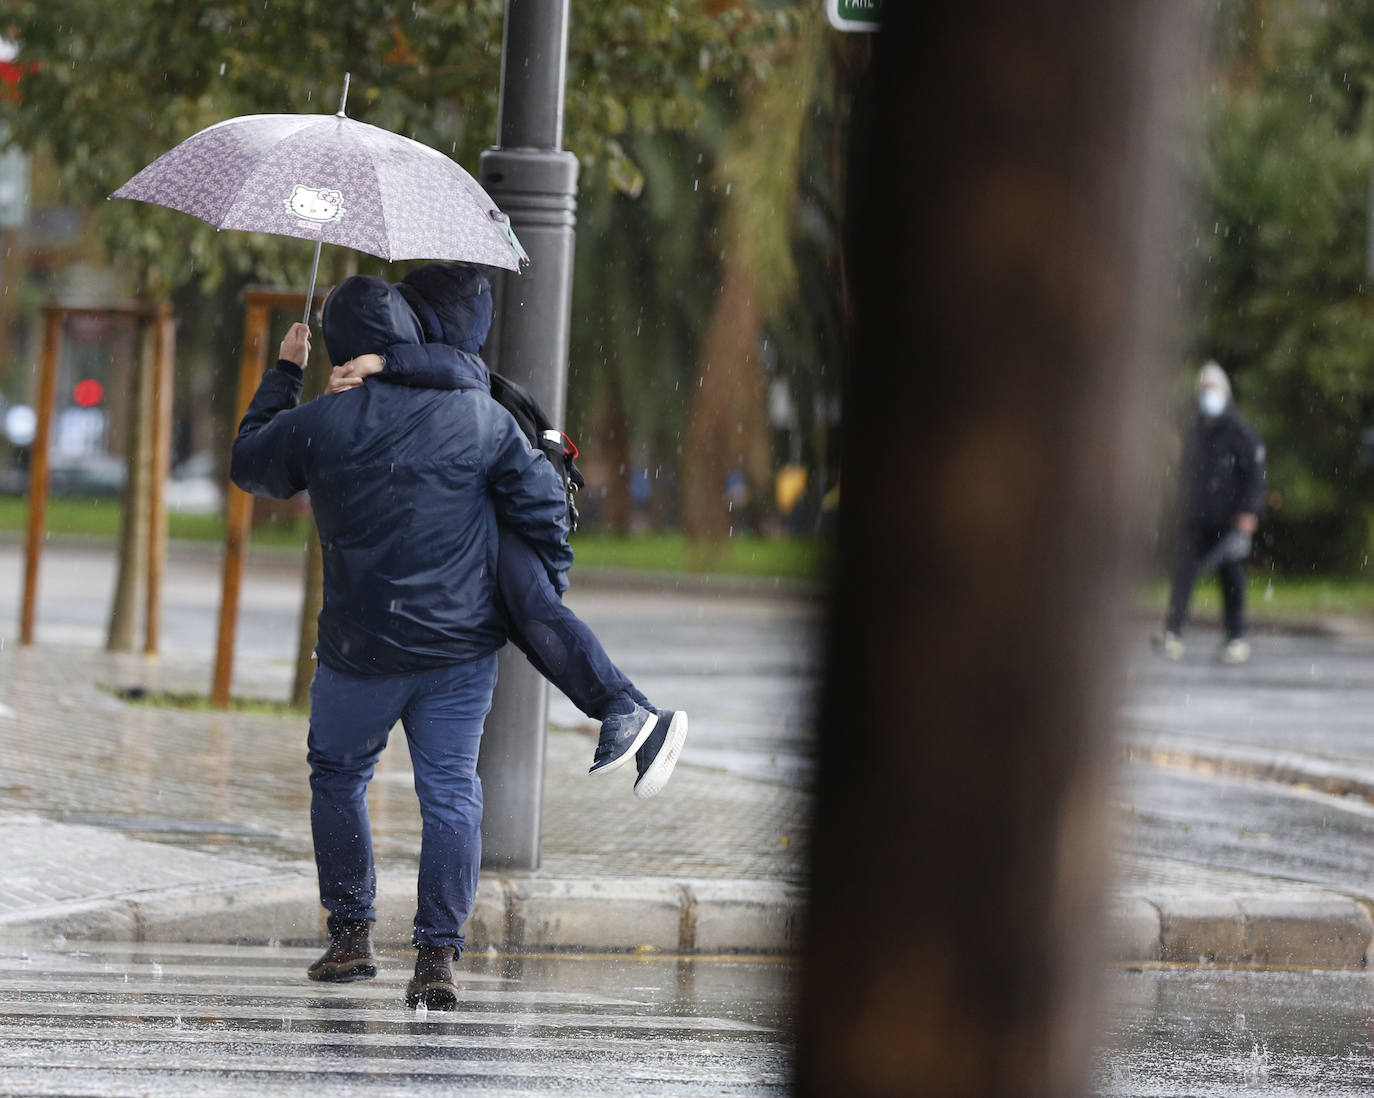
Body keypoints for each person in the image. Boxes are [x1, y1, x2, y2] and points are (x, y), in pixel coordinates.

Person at [230, 275, 572, 1009]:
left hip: (359, 651)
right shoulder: (477, 418)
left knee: (338, 775)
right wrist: (541, 588)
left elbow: (249, 461)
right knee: (451, 792)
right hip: (458, 651)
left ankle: (351, 932)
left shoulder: (321, 422)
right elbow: (546, 503)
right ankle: (438, 956)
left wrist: (288, 369)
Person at [326, 262, 688, 798]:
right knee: (534, 626)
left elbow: (444, 372)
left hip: (504, 526)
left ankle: (628, 711)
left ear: (430, 319)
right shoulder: (446, 371)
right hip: (495, 527)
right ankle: (639, 718)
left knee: (537, 616)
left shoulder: (455, 370)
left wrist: (383, 360)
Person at [1154, 361, 1266, 664]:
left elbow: (1254, 474)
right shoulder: (1195, 429)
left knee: (1232, 580)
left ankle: (1236, 637)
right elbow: (1185, 474)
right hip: (1197, 517)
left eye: (1213, 389)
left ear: (1224, 392)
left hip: (1230, 520)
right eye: (1204, 389)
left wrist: (1248, 511)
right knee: (1184, 576)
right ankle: (1173, 632)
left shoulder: (1241, 432)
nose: (1209, 395)